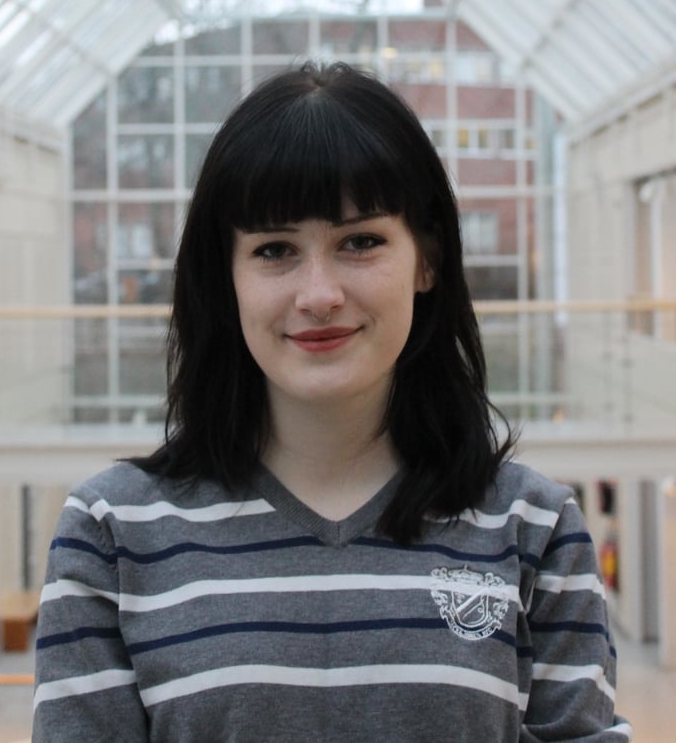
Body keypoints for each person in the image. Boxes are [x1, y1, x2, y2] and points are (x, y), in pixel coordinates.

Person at [33, 62, 631, 741]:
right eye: (275, 249)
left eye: (360, 242)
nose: (318, 294)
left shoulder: (535, 529)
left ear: (427, 259)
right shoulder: (112, 534)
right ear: (226, 278)